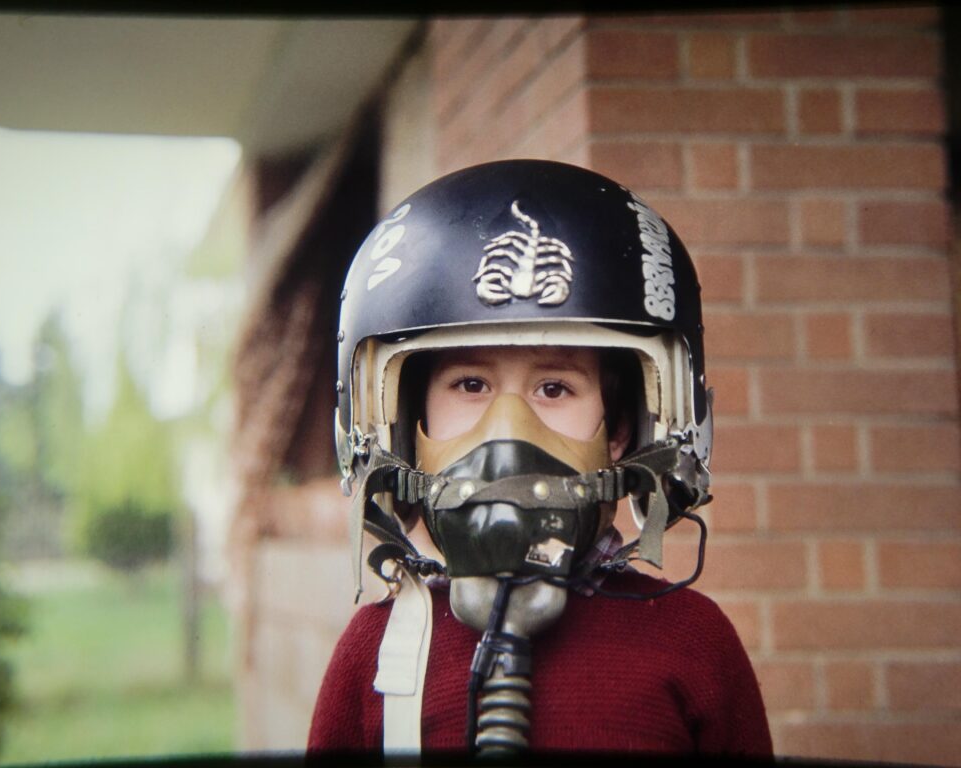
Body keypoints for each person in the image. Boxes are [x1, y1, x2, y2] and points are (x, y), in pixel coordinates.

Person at [307, 160, 773, 759]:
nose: (509, 430)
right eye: (470, 384)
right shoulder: (371, 657)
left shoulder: (693, 645)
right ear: (403, 430)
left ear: (622, 433)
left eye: (554, 389)